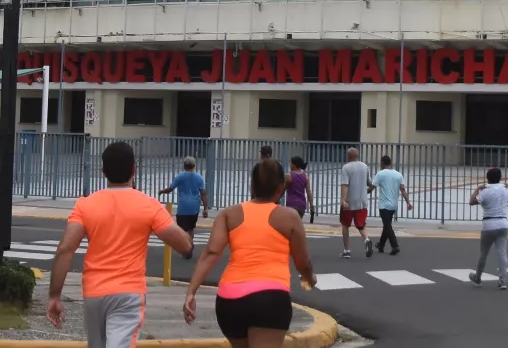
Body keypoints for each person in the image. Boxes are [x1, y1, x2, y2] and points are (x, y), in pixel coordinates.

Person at [48, 142, 195, 348]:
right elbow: (184, 246)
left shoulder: (85, 204)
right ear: (134, 169)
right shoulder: (148, 205)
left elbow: (65, 249)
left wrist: (54, 295)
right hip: (128, 294)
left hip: (93, 293)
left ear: (103, 172)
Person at [183, 159, 315, 348]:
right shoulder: (290, 217)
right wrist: (310, 278)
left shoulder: (228, 214)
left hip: (230, 300)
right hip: (270, 298)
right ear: (280, 188)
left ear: (251, 185)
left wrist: (191, 292)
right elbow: (303, 263)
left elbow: (211, 253)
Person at [468, 167, 508, 290]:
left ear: (487, 178)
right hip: (503, 224)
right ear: (500, 178)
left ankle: (478, 278)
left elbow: (472, 201)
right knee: (502, 253)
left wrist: (477, 189)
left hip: (488, 225)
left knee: (484, 254)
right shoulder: (504, 190)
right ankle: (502, 281)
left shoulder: (485, 191)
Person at [158, 156, 209, 238]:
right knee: (190, 228)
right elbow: (203, 193)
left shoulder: (180, 177)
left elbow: (170, 189)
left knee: (181, 229)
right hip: (194, 207)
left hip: (183, 207)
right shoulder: (199, 178)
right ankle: (190, 245)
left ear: (184, 166)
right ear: (194, 165)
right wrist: (205, 208)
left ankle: (184, 246)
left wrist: (161, 191)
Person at [371, 155, 413, 256]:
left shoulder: (380, 174)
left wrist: (365, 192)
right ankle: (381, 245)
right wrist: (408, 202)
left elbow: (372, 187)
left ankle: (395, 246)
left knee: (387, 226)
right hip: (393, 206)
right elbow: (402, 190)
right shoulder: (398, 175)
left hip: (384, 205)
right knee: (387, 225)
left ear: (382, 163)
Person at [337, 147, 374, 259]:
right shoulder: (364, 166)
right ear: (357, 155)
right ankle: (367, 239)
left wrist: (343, 200)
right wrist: (367, 191)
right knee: (361, 225)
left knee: (345, 225)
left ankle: (347, 250)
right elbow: (370, 183)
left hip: (349, 202)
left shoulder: (346, 168)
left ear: (348, 156)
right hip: (362, 202)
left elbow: (345, 185)